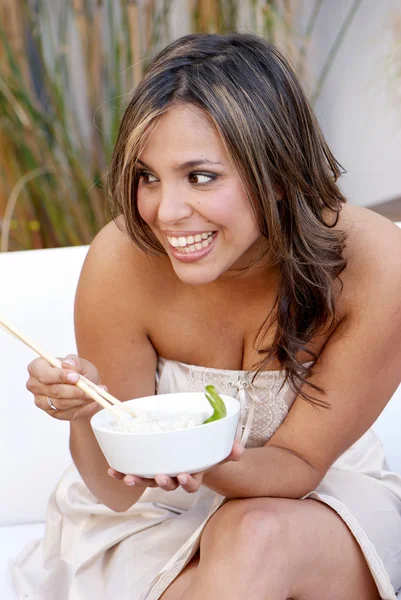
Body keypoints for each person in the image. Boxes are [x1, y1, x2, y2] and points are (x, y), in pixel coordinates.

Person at [16, 32, 401, 600]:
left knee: (255, 531)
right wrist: (81, 411)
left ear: (274, 173)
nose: (165, 213)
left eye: (200, 176)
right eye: (149, 177)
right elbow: (119, 492)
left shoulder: (375, 267)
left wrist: (194, 459)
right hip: (152, 521)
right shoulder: (122, 260)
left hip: (316, 504)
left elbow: (298, 465)